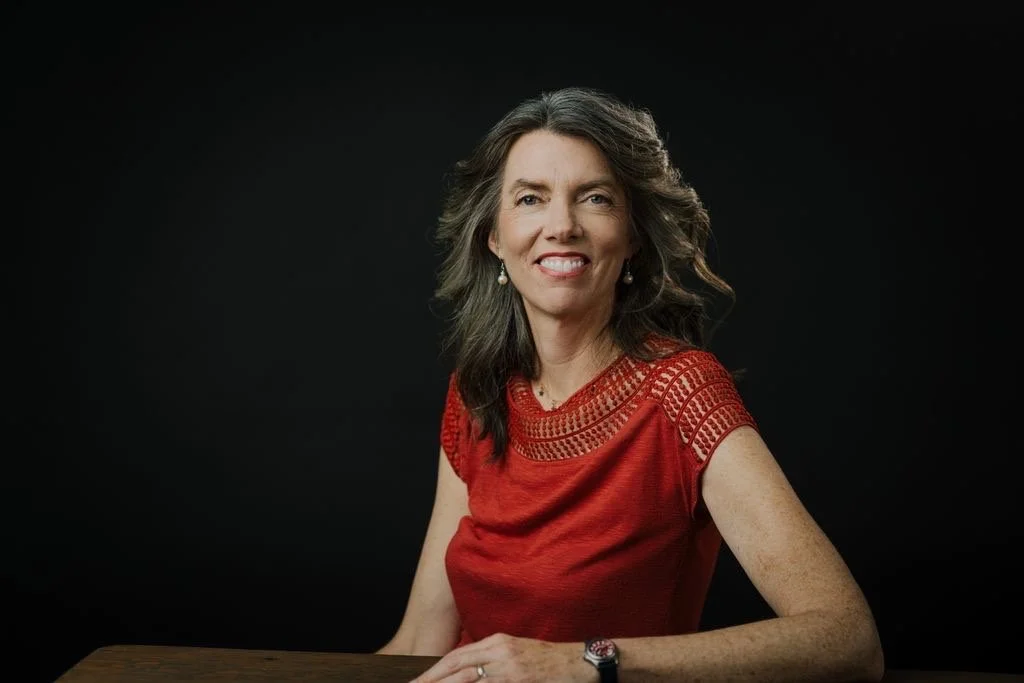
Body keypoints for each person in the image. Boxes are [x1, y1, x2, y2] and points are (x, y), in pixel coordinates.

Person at [377, 86, 884, 683]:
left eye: (594, 198)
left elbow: (849, 640)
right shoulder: (478, 392)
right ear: (494, 238)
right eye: (530, 199)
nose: (561, 226)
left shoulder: (682, 391)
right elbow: (421, 639)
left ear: (633, 237)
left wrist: (586, 661)